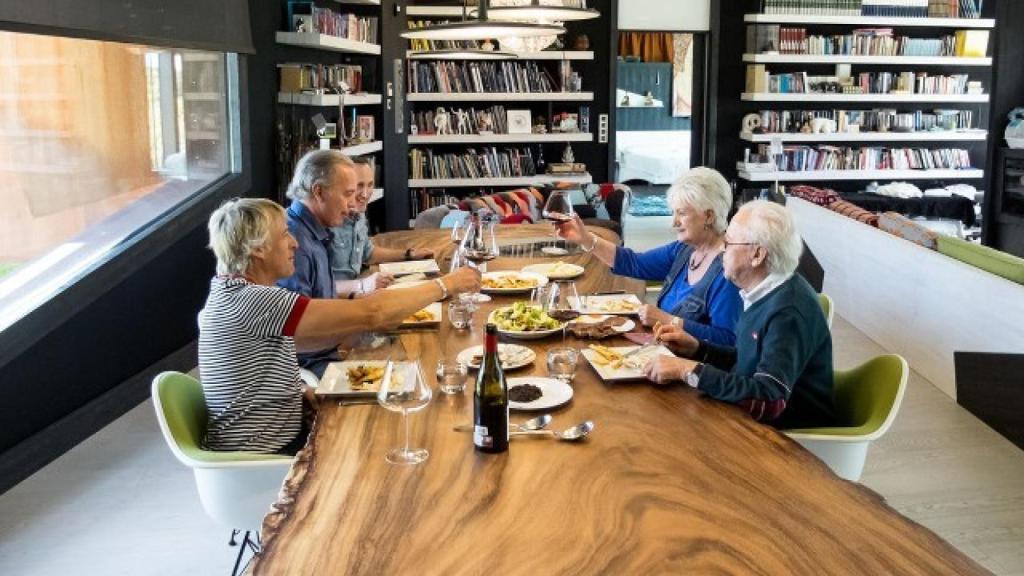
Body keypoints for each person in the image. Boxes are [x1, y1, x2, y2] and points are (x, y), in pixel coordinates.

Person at [199, 197, 479, 454]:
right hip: (265, 453)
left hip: (276, 434)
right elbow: (373, 312)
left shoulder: (231, 292)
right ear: (258, 248)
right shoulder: (255, 300)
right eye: (284, 234)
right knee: (396, 433)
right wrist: (446, 284)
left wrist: (297, 392)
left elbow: (307, 341)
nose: (294, 243)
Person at [643, 200, 835, 429]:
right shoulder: (762, 291)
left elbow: (769, 401)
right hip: (749, 418)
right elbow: (747, 361)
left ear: (757, 254)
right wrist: (698, 349)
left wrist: (686, 369)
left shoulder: (788, 312)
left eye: (729, 243)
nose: (722, 251)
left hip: (783, 436)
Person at [554, 167, 743, 346]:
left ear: (709, 216)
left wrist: (670, 321)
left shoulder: (728, 271)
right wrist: (585, 238)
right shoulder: (684, 250)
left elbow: (728, 341)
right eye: (673, 213)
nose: (674, 222)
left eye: (682, 213)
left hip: (687, 365)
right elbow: (634, 263)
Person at [330, 157, 434, 296]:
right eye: (359, 186)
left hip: (357, 290)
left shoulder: (358, 213)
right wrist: (363, 285)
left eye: (370, 185)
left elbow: (368, 253)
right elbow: (317, 288)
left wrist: (409, 254)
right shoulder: (327, 222)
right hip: (337, 300)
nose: (365, 194)